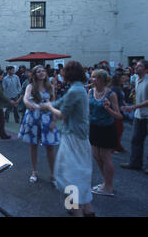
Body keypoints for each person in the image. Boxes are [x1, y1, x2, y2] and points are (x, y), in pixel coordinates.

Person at [41, 61, 95, 217]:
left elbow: (61, 114)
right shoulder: (78, 89)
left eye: (63, 71)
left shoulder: (75, 91)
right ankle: (86, 209)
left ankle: (76, 211)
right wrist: (48, 104)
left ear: (68, 73)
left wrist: (49, 107)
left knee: (67, 174)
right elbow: (61, 102)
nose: (61, 74)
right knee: (81, 172)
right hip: (80, 137)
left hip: (73, 137)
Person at [18, 65, 59, 184]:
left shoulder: (50, 87)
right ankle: (34, 171)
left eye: (43, 71)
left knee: (50, 147)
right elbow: (25, 98)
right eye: (38, 71)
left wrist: (54, 120)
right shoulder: (30, 86)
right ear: (35, 74)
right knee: (33, 145)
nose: (41, 73)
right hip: (33, 118)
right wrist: (27, 103)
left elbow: (54, 104)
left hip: (47, 118)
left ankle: (53, 174)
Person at [88, 69, 122, 196]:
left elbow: (119, 116)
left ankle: (108, 187)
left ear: (102, 80)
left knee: (106, 157)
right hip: (94, 127)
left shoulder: (111, 94)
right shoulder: (90, 91)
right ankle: (106, 182)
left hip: (107, 128)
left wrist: (108, 108)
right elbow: (88, 110)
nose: (92, 80)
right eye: (91, 77)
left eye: (94, 77)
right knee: (96, 156)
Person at [121, 59, 148, 174]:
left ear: (146, 69)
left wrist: (134, 107)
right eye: (136, 65)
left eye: (140, 66)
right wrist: (134, 92)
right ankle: (135, 163)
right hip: (139, 115)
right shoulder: (137, 79)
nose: (136, 67)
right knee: (135, 140)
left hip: (146, 115)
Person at [110, 73, 126, 153]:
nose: (125, 80)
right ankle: (113, 147)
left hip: (120, 110)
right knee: (118, 129)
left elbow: (121, 99)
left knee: (119, 129)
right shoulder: (115, 89)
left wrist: (124, 104)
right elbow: (114, 101)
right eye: (122, 79)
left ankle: (117, 145)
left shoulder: (118, 88)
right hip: (116, 111)